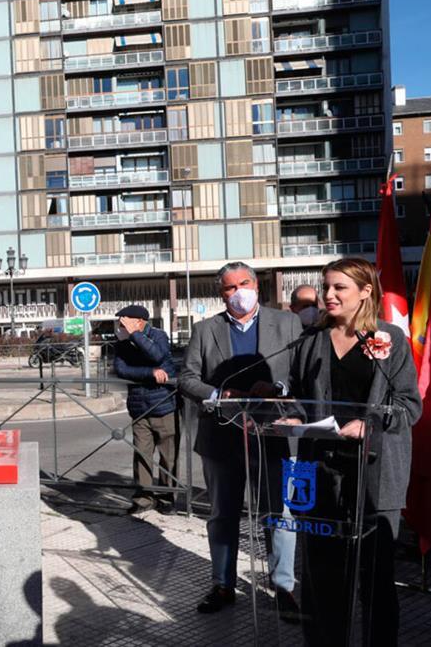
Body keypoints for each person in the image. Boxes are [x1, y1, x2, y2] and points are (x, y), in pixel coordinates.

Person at [283, 258, 421, 646]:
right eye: (326, 286)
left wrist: (370, 425)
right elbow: (298, 396)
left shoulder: (389, 339)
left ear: (365, 292)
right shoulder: (310, 340)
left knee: (375, 578)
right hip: (322, 472)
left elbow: (410, 404)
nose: (328, 295)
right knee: (322, 574)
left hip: (375, 474)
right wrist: (292, 417)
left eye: (339, 288)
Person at [179, 261, 303, 618]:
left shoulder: (288, 323)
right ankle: (222, 584)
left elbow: (302, 373)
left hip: (273, 436)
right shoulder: (205, 329)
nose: (237, 293)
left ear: (257, 286)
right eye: (229, 288)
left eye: (243, 284)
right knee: (222, 514)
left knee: (279, 514)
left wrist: (279, 389)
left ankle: (283, 588)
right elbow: (187, 378)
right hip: (220, 437)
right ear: (221, 294)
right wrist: (220, 393)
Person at [112, 305, 177, 514]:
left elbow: (157, 356)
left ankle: (167, 498)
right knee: (142, 454)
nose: (120, 326)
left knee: (169, 456)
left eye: (124, 321)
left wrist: (136, 335)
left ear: (139, 321)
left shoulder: (158, 336)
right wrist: (150, 373)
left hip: (164, 405)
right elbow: (121, 369)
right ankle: (144, 499)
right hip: (139, 407)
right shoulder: (123, 342)